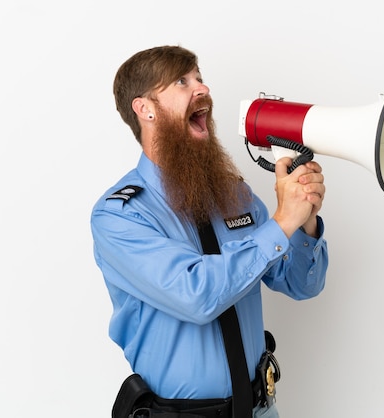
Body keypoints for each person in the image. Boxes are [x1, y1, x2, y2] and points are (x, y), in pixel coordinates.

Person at [91, 45, 328, 418]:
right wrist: (282, 222)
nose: (202, 89)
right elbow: (196, 294)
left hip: (260, 410)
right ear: (145, 109)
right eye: (182, 81)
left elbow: (302, 284)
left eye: (200, 78)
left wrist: (305, 217)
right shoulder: (120, 216)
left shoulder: (233, 193)